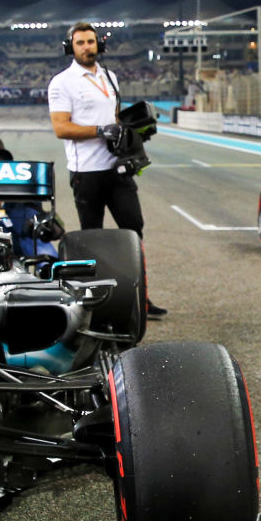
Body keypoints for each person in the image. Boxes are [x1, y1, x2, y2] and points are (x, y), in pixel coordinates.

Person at [47, 21, 164, 317]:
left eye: (91, 41)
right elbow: (61, 128)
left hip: (117, 168)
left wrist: (133, 132)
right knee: (93, 239)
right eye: (81, 43)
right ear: (70, 48)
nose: (87, 47)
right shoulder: (62, 82)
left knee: (134, 231)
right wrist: (101, 131)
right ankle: (95, 307)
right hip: (86, 173)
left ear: (100, 44)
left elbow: (115, 117)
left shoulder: (110, 76)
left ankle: (140, 299)